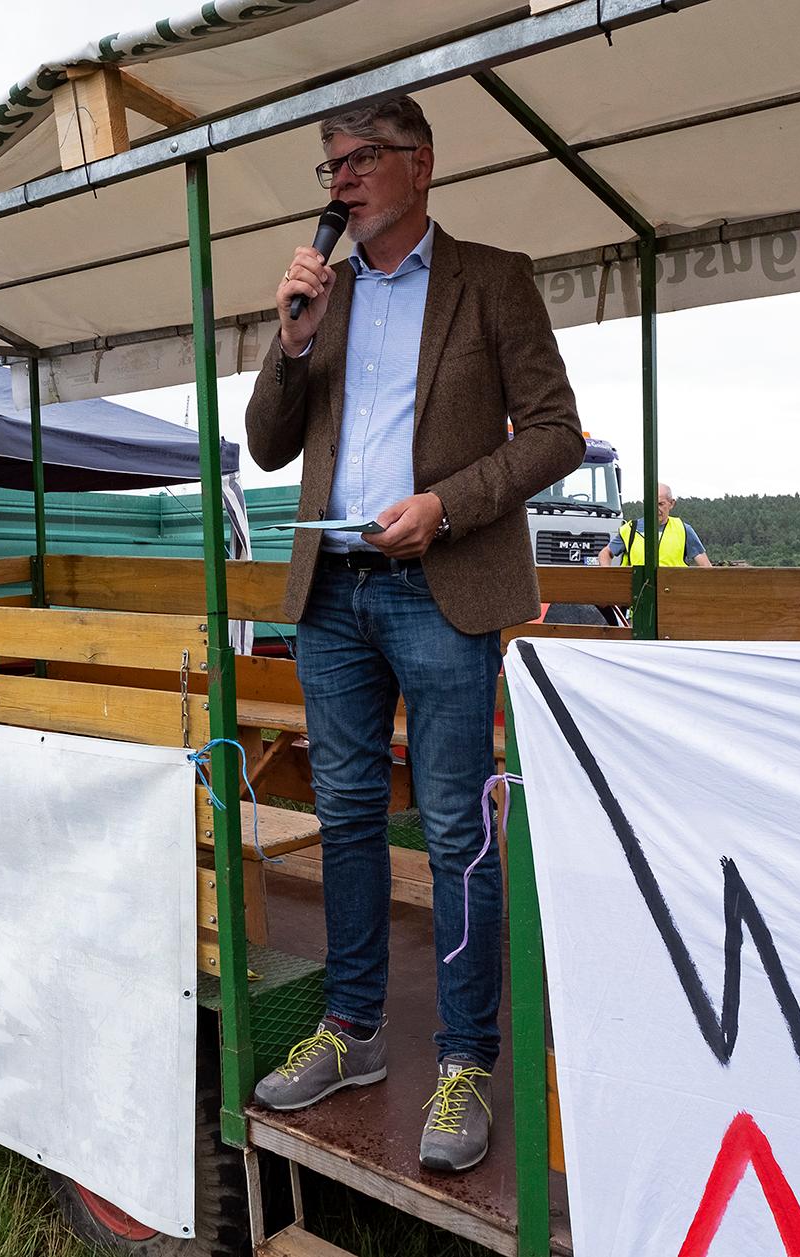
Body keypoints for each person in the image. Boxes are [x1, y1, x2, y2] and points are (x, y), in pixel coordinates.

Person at [243, 94, 584, 1173]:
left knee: (451, 832)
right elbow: (262, 445)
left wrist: (446, 504)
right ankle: (351, 1036)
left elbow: (555, 435)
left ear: (420, 166)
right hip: (332, 594)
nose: (338, 178)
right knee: (343, 816)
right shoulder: (322, 294)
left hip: (438, 584)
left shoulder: (492, 278)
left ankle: (463, 1065)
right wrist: (290, 344)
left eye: (358, 159)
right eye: (329, 163)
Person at [598, 482, 711, 567]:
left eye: (661, 504)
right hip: (639, 595)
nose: (656, 509)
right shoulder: (630, 530)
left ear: (672, 504)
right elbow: (605, 553)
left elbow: (706, 567)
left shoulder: (683, 530)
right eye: (651, 503)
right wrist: (609, 578)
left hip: (672, 594)